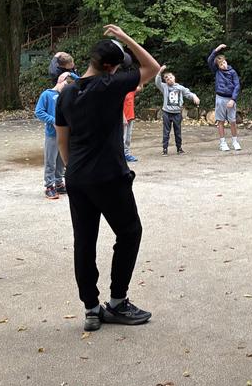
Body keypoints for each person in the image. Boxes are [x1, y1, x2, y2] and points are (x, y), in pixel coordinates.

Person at [55, 25, 160, 332]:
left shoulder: (67, 92)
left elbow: (62, 139)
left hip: (77, 177)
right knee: (129, 232)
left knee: (84, 241)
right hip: (109, 176)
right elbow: (152, 68)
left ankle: (91, 309)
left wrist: (74, 170)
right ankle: (117, 302)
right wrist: (126, 37)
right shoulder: (110, 85)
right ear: (110, 67)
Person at [35, 72, 75, 199]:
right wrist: (53, 120)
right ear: (60, 80)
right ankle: (49, 186)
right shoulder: (46, 94)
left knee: (61, 160)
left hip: (65, 133)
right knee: (50, 160)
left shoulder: (66, 95)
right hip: (52, 134)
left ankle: (59, 183)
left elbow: (81, 82)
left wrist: (70, 73)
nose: (66, 89)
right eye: (65, 85)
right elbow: (39, 112)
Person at [155, 64, 200, 155]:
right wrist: (160, 72)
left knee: (178, 131)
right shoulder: (164, 87)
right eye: (166, 78)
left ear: (174, 77)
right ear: (165, 81)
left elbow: (188, 93)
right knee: (166, 131)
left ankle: (179, 148)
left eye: (170, 77)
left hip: (177, 113)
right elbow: (157, 82)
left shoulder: (180, 88)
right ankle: (165, 149)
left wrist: (194, 96)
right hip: (167, 112)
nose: (169, 79)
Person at [208, 44, 242, 151]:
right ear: (218, 66)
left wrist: (233, 99)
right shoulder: (217, 71)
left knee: (232, 121)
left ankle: (235, 141)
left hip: (230, 99)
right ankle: (222, 143)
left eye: (224, 62)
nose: (223, 65)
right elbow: (210, 60)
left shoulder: (233, 72)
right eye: (221, 64)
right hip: (220, 98)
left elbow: (237, 86)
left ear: (226, 61)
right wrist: (217, 49)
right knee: (221, 121)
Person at [122, 86, 142, 163]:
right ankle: (121, 155)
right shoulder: (120, 92)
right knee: (122, 138)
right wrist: (123, 118)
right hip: (123, 119)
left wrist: (141, 81)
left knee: (128, 138)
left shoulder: (131, 91)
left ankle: (126, 154)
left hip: (130, 117)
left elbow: (140, 88)